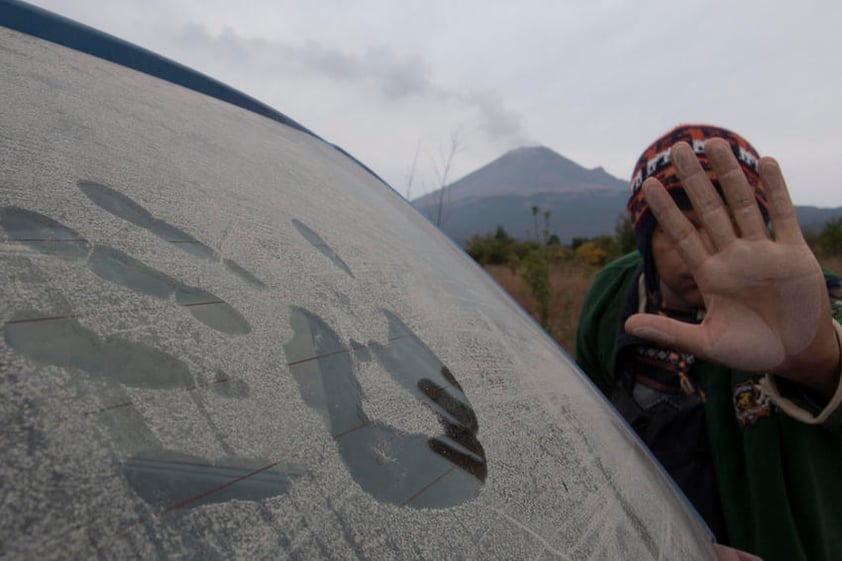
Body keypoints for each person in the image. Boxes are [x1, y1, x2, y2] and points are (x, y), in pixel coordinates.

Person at [575, 124, 842, 561]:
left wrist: (818, 361)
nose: (705, 252)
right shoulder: (613, 295)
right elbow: (585, 429)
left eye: (725, 229)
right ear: (646, 240)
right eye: (679, 229)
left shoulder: (804, 301)